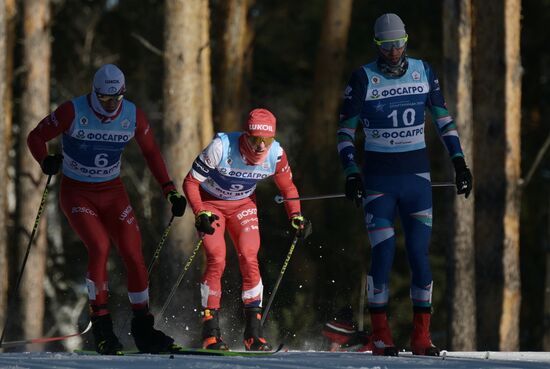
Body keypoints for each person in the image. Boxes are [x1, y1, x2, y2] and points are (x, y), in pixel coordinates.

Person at [27, 64, 188, 355]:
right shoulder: (72, 111)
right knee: (100, 247)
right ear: (95, 93)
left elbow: (151, 152)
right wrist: (45, 160)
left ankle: (143, 328)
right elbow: (35, 137)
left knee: (132, 252)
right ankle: (102, 327)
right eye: (105, 99)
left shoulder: (132, 115)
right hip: (77, 193)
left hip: (113, 192)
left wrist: (170, 191)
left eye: (117, 98)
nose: (112, 105)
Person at [336, 14, 473, 356]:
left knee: (419, 256)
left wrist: (459, 162)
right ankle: (380, 333)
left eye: (399, 44)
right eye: (387, 45)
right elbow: (344, 132)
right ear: (377, 45)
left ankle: (421, 337)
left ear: (406, 41)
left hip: (417, 181)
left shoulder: (423, 71)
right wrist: (351, 171)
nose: (395, 51)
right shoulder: (363, 77)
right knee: (383, 252)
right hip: (379, 182)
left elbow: (443, 119)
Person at [183, 108, 311, 351]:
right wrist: (199, 212)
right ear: (245, 135)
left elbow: (288, 189)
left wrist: (296, 216)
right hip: (211, 204)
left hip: (243, 205)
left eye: (268, 139)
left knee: (249, 256)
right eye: (255, 139)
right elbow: (190, 181)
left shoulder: (276, 154)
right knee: (217, 259)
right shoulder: (221, 147)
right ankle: (211, 333)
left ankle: (254, 333)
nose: (261, 146)